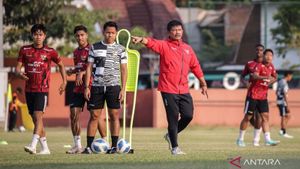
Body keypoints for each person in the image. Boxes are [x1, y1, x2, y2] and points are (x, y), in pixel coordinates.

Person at [132, 20, 208, 155]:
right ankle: (175, 147)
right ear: (169, 32)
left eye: (179, 29)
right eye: (174, 30)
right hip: (168, 89)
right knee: (172, 117)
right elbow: (152, 42)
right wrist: (141, 39)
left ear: (182, 31)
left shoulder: (188, 49)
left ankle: (170, 135)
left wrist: (203, 82)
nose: (177, 32)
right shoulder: (164, 45)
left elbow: (195, 66)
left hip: (184, 89)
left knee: (188, 115)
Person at [16, 24, 67, 155]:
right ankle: (45, 148)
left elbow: (61, 65)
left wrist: (65, 81)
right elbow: (18, 68)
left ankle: (33, 145)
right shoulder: (24, 50)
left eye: (40, 34)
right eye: (35, 34)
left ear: (44, 36)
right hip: (29, 89)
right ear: (32, 35)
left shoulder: (50, 52)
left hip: (42, 89)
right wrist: (19, 73)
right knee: (35, 119)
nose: (38, 37)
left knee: (38, 116)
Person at [82, 21, 128, 154]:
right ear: (103, 32)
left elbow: (124, 70)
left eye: (113, 33)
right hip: (96, 86)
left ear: (116, 34)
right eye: (108, 32)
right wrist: (87, 87)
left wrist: (123, 89)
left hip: (114, 87)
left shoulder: (121, 49)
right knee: (94, 115)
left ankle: (114, 146)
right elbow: (89, 67)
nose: (110, 35)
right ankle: (89, 147)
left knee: (114, 115)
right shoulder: (94, 47)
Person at [66, 25, 107, 154]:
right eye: (77, 35)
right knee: (73, 114)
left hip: (92, 86)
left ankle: (105, 142)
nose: (80, 37)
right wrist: (73, 71)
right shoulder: (75, 52)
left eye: (82, 35)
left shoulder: (92, 49)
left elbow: (95, 67)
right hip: (78, 88)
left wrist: (82, 73)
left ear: (87, 35)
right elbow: (79, 67)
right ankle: (77, 145)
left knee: (96, 115)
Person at [246, 49, 279, 146]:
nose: (269, 57)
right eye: (267, 55)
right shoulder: (259, 65)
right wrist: (265, 78)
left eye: (271, 55)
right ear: (264, 56)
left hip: (263, 96)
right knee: (249, 117)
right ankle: (242, 138)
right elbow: (255, 76)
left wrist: (269, 82)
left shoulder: (272, 67)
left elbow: (275, 76)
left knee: (265, 117)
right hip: (253, 95)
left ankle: (267, 140)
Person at [236, 44, 264, 147]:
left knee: (260, 118)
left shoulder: (267, 65)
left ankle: (256, 141)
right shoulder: (250, 64)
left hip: (262, 96)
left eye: (261, 50)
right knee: (249, 117)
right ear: (255, 51)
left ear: (263, 52)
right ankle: (240, 139)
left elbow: (272, 77)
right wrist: (245, 83)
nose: (259, 52)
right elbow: (242, 76)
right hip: (251, 95)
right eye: (257, 50)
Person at [276, 71, 294, 138]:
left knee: (287, 116)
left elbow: (276, 92)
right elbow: (285, 94)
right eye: (291, 76)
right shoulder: (284, 83)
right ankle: (283, 132)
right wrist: (287, 105)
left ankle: (282, 130)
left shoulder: (280, 81)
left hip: (279, 101)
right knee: (284, 117)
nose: (291, 78)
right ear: (288, 75)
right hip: (283, 102)